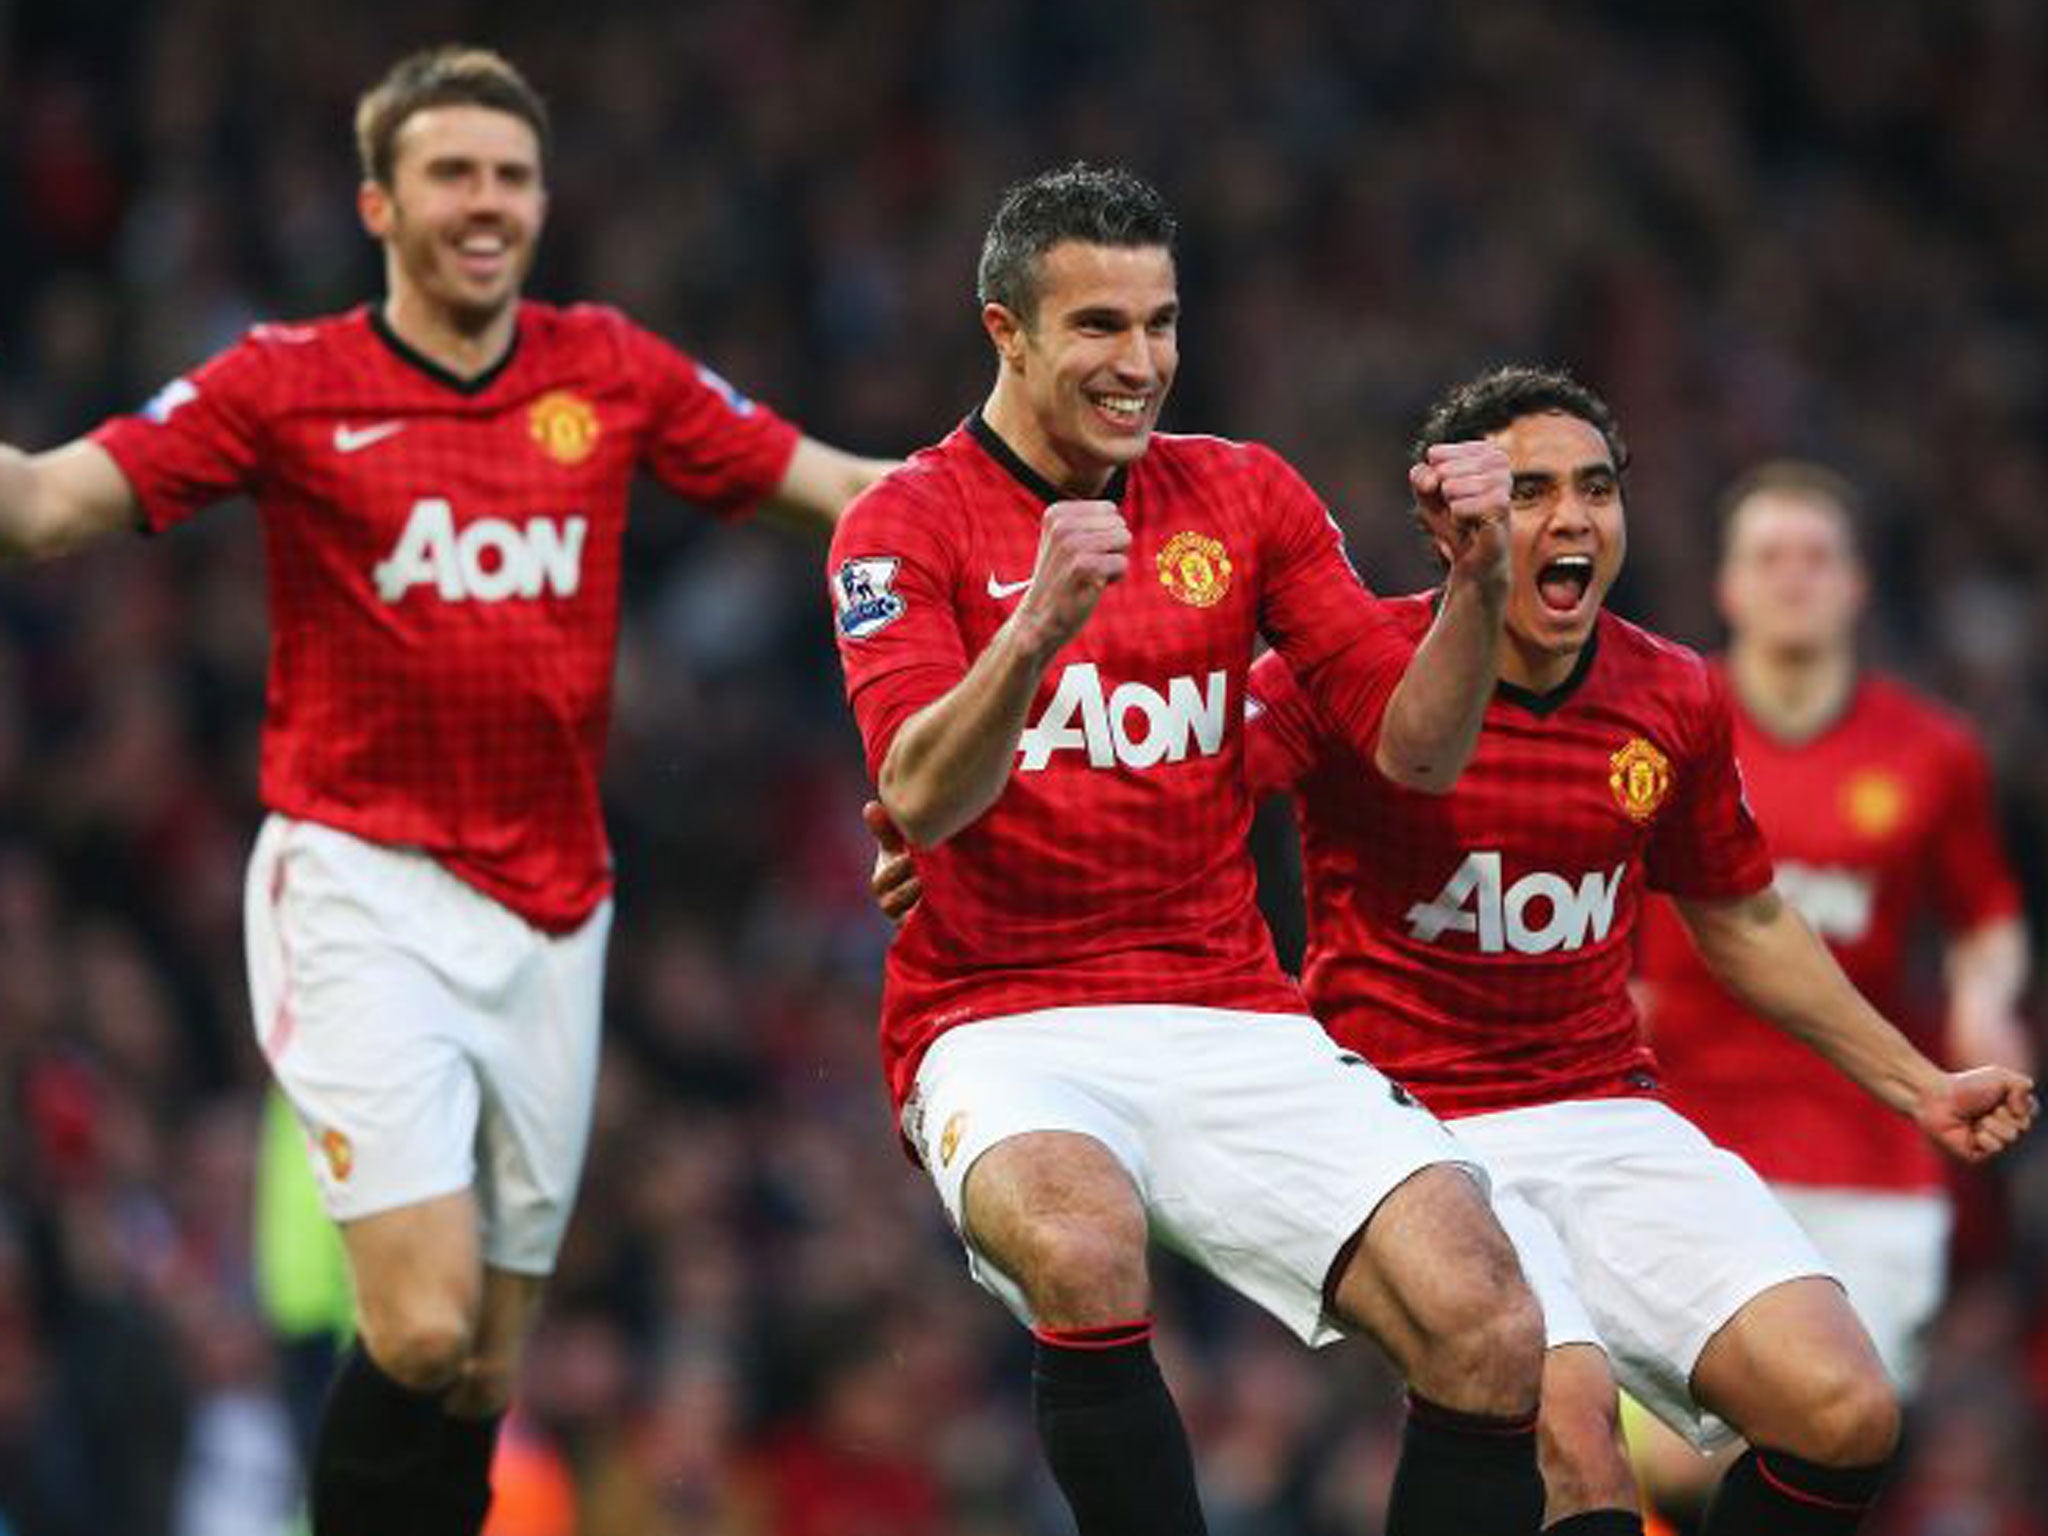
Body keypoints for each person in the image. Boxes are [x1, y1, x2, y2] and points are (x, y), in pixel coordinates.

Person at [869, 365, 2036, 1535]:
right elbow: (1157, 789)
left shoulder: (1669, 695)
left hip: (1601, 1109)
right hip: (1410, 1123)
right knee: (1575, 1452)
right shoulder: (1354, 674)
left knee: (1843, 1413)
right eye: (1527, 491)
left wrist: (1917, 1084)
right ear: (1458, 523)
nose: (1568, 517)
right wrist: (955, 849)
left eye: (1593, 488)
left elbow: (1744, 920)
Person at [0, 45, 892, 1536]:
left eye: (511, 175)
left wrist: (1030, 470)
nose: (485, 202)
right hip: (359, 885)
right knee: (414, 1329)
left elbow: (845, 486)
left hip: (554, 912)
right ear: (378, 203)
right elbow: (41, 505)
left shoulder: (607, 367)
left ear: (541, 201)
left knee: (478, 1370)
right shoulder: (287, 384)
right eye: (450, 174)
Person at [829, 163, 1549, 1536]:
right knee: (1088, 1251)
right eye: (1099, 325)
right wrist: (1035, 629)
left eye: (1162, 323)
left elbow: (1414, 751)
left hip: (1226, 1003)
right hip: (998, 1014)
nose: (1141, 361)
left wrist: (1478, 583)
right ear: (1007, 331)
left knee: (1490, 1319)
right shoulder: (904, 524)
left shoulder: (1244, 495)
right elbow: (919, 794)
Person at [1629, 462, 2035, 1526]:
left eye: (1816, 557)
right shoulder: (1663, 720)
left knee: (1829, 1431)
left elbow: (1985, 920)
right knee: (1673, 1465)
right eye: (1768, 556)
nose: (1792, 578)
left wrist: (1984, 999)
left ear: (1856, 587)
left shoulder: (1929, 753)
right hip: (1686, 1137)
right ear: (1725, 586)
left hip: (1866, 1157)